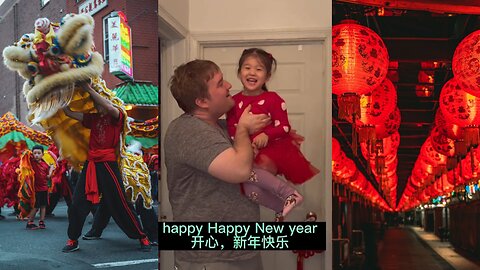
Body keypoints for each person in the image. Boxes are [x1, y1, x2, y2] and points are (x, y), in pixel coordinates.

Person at [165, 59, 271, 270]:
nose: (229, 85)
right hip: (210, 259)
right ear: (202, 101)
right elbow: (240, 171)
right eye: (220, 83)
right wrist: (243, 130)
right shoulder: (187, 130)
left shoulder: (223, 127)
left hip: (242, 251)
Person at [226, 48, 320, 220]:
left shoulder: (273, 99)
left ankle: (289, 193)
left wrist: (266, 135)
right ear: (239, 73)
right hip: (245, 152)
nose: (252, 72)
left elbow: (284, 127)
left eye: (259, 69)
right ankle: (280, 208)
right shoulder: (233, 102)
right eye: (247, 67)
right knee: (250, 190)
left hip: (270, 151)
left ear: (267, 77)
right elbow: (232, 130)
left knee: (248, 172)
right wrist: (242, 146)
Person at [61, 81, 151, 253]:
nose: (97, 105)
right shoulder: (93, 119)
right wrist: (62, 95)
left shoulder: (117, 116)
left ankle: (142, 236)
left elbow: (109, 107)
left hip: (108, 163)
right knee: (78, 202)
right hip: (92, 164)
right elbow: (69, 113)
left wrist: (88, 88)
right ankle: (73, 239)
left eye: (100, 101)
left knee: (120, 202)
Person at [25, 145, 54, 230]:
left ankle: (41, 222)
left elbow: (48, 177)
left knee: (43, 206)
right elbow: (26, 156)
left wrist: (51, 168)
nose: (36, 155)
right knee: (35, 206)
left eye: (39, 153)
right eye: (35, 153)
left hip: (44, 189)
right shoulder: (32, 162)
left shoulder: (45, 164)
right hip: (36, 189)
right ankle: (30, 222)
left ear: (42, 154)